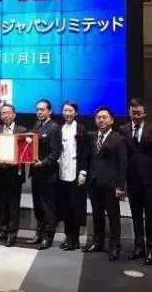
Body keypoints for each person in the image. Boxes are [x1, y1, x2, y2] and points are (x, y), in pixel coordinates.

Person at [118, 98, 152, 265]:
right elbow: (123, 155)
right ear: (129, 112)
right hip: (132, 178)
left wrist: (150, 168)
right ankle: (138, 247)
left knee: (150, 214)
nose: (136, 116)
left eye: (139, 113)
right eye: (133, 113)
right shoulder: (123, 129)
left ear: (145, 113)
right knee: (135, 214)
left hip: (149, 178)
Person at [82, 106, 127, 261]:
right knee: (97, 214)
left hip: (111, 185)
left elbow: (122, 165)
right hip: (94, 183)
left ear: (112, 120)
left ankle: (115, 246)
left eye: (105, 117)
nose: (101, 120)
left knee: (113, 217)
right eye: (98, 117)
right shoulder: (92, 137)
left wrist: (120, 186)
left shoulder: (118, 139)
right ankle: (97, 242)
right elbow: (88, 158)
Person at [27, 99, 63, 250]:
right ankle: (39, 233)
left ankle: (48, 237)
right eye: (37, 110)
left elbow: (56, 152)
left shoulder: (54, 127)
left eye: (42, 109)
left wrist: (43, 163)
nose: (39, 112)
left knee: (48, 208)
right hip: (36, 173)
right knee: (38, 207)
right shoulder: (37, 125)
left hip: (48, 175)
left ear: (50, 111)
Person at [0, 103, 27, 247]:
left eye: (8, 112)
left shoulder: (22, 130)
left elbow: (25, 152)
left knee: (13, 204)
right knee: (1, 203)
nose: (5, 115)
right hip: (0, 171)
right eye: (3, 113)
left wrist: (16, 160)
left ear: (14, 114)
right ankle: (3, 230)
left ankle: (12, 234)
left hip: (15, 173)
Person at [57, 101, 90, 251]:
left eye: (70, 111)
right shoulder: (60, 128)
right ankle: (67, 236)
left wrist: (83, 172)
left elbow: (85, 153)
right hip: (62, 172)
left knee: (75, 207)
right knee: (65, 207)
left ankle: (74, 239)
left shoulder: (81, 129)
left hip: (76, 173)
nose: (67, 113)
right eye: (65, 110)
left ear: (76, 113)